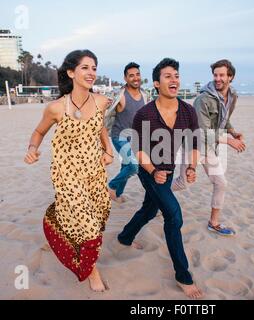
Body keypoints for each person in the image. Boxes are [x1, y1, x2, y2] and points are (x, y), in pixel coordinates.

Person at [24, 50, 114, 292]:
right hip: (67, 173)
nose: (91, 72)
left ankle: (57, 223)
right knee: (90, 228)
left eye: (94, 68)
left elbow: (100, 128)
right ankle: (92, 272)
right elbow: (39, 132)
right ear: (71, 72)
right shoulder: (56, 108)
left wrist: (108, 150)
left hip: (94, 171)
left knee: (98, 216)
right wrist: (32, 148)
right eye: (85, 67)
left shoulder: (102, 101)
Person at [117, 58, 203, 299]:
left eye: (176, 75)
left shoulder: (188, 111)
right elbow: (138, 149)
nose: (174, 79)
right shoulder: (145, 114)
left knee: (148, 209)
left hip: (170, 168)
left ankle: (125, 237)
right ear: (156, 83)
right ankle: (182, 275)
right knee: (173, 215)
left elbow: (194, 143)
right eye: (168, 76)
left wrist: (191, 167)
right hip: (149, 171)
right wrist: (153, 171)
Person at [172, 59, 246, 236]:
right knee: (182, 184)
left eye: (222, 75)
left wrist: (233, 132)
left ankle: (214, 223)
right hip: (193, 145)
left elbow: (224, 119)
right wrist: (229, 140)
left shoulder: (232, 97)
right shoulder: (203, 99)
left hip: (210, 147)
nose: (218, 78)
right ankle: (157, 195)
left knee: (221, 183)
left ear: (231, 77)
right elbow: (202, 131)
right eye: (215, 75)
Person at [106, 62, 148, 203]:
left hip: (135, 138)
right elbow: (105, 110)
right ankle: (111, 186)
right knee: (133, 166)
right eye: (131, 76)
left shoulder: (144, 95)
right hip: (120, 137)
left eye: (137, 74)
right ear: (126, 78)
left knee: (126, 165)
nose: (135, 78)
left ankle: (116, 194)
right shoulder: (120, 96)